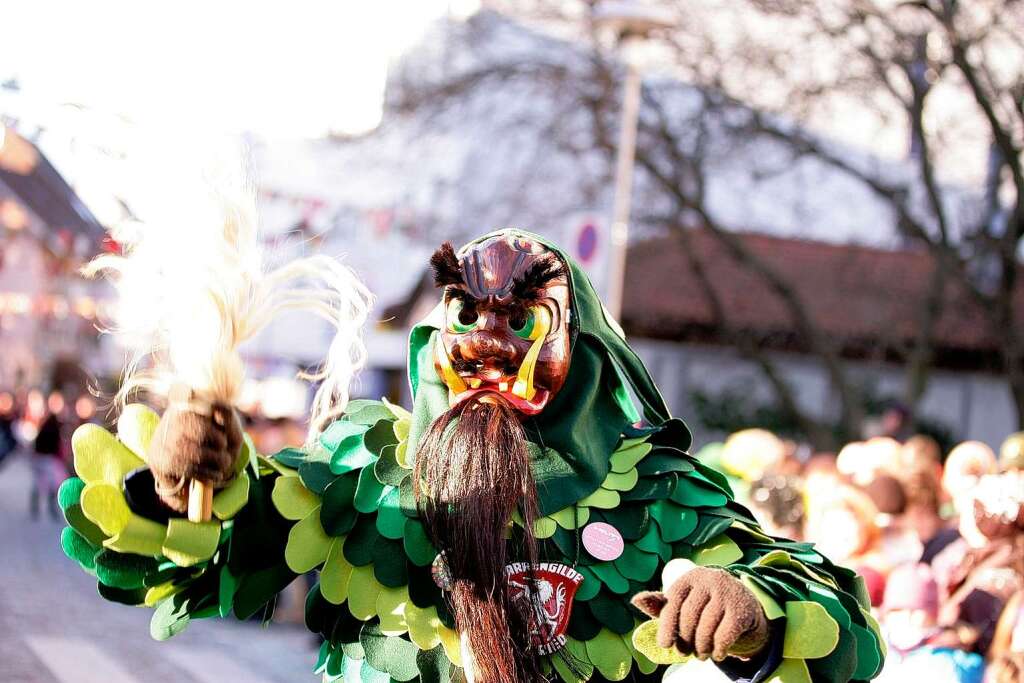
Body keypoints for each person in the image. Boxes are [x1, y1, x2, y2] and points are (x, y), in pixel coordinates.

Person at [59, 229, 885, 682]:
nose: (487, 341)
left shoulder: (659, 495)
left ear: (579, 341)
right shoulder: (366, 467)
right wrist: (186, 483)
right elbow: (206, 552)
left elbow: (840, 615)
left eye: (522, 321)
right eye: (466, 310)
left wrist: (748, 603)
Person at [876, 563, 985, 682]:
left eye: (915, 611)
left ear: (933, 617)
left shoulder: (947, 662)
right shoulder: (873, 646)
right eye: (897, 610)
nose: (905, 617)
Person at [31, 401, 64, 521]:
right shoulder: (54, 430)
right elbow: (56, 446)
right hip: (48, 460)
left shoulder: (44, 428)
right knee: (52, 485)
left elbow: (36, 443)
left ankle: (35, 508)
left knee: (38, 483)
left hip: (39, 459)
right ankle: (51, 508)